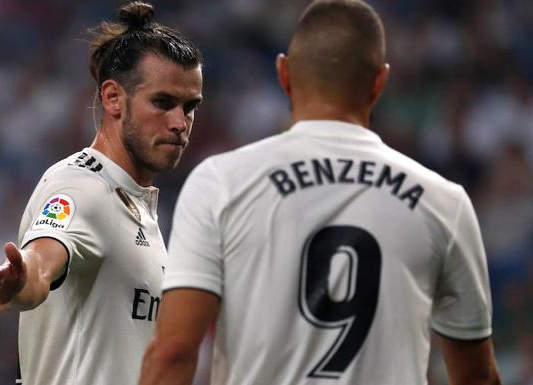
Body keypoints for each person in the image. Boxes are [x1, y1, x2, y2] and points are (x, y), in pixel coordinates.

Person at [138, 1, 502, 384]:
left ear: (284, 73)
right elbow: (475, 377)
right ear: (379, 81)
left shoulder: (221, 182)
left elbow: (174, 352)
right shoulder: (444, 201)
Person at [0, 2, 203, 385]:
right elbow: (42, 262)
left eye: (190, 107)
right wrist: (21, 282)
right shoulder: (82, 186)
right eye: (163, 103)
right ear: (113, 98)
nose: (180, 123)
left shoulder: (133, 201)